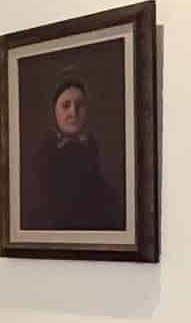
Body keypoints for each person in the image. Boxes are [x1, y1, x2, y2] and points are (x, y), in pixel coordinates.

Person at [27, 73, 122, 231]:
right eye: (66, 106)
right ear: (54, 111)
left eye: (80, 105)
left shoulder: (97, 153)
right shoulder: (41, 159)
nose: (73, 112)